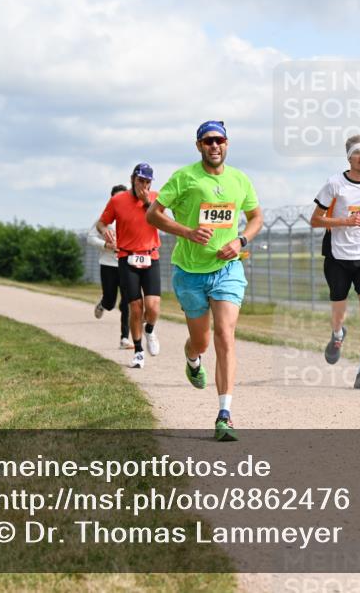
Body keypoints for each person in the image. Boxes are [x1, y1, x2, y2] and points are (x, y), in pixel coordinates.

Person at [147, 121, 262, 441]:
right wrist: (187, 232)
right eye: (208, 141)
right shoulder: (185, 178)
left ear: (227, 144)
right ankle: (192, 359)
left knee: (225, 334)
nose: (214, 146)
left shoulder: (240, 180)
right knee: (202, 341)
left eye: (220, 140)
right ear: (199, 146)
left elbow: (256, 218)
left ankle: (224, 415)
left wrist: (240, 242)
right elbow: (153, 214)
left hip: (227, 270)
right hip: (190, 273)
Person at [310, 134, 360, 389]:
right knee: (339, 311)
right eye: (358, 153)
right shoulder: (334, 184)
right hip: (337, 256)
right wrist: (344, 221)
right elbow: (315, 220)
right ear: (349, 157)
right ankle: (337, 334)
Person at [97, 164, 163, 369]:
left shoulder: (156, 198)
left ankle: (150, 330)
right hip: (127, 258)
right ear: (132, 179)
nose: (143, 185)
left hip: (150, 257)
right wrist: (105, 231)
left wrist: (147, 203)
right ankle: (138, 351)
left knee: (152, 307)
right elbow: (101, 222)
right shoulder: (118, 200)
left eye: (147, 182)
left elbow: (162, 222)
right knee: (135, 308)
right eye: (140, 180)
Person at [89, 184, 134, 350]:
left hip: (127, 264)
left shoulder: (132, 217)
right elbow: (90, 238)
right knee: (110, 302)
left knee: (127, 302)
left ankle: (124, 339)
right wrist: (106, 246)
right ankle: (103, 304)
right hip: (108, 265)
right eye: (116, 198)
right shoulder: (105, 220)